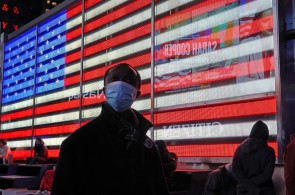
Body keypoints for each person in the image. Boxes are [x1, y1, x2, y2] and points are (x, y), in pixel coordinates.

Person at [51, 63, 169, 195]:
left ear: (137, 94)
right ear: (104, 91)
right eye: (114, 79)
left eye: (129, 80)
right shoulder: (77, 143)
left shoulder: (147, 146)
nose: (120, 84)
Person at [231, 120, 275, 195]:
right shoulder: (269, 152)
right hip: (263, 191)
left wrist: (246, 184)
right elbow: (266, 176)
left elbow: (235, 170)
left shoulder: (239, 149)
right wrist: (253, 187)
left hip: (243, 190)